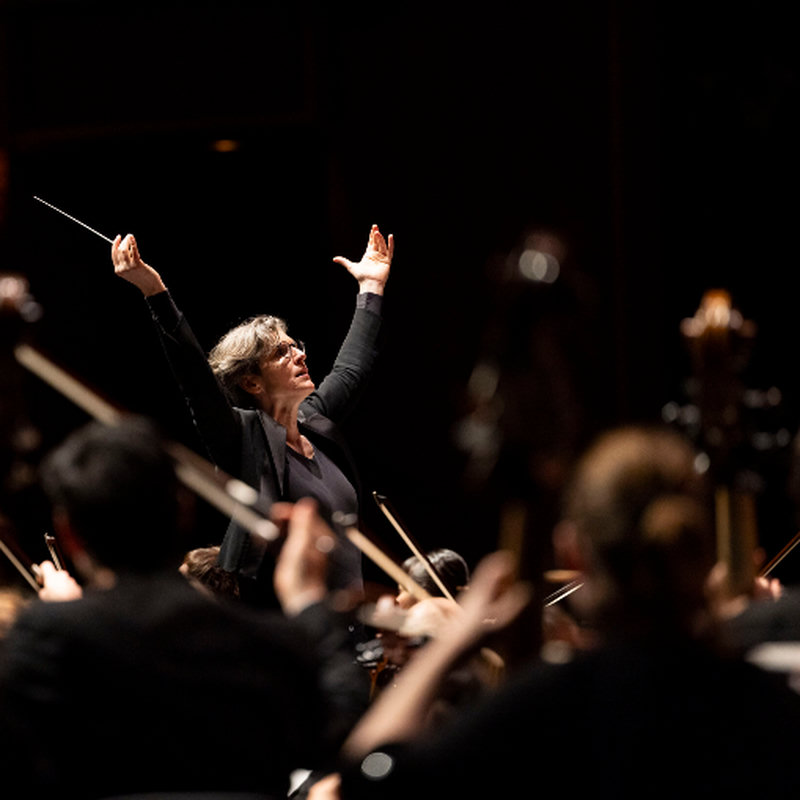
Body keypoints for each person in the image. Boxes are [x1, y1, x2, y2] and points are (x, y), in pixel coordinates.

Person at [320, 424, 800, 799]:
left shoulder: (555, 705)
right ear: (702, 550)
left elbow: (367, 777)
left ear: (571, 552)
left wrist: (450, 646)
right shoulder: (766, 695)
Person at [0, 416, 370, 798]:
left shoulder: (45, 639)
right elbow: (341, 724)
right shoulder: (259, 642)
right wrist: (308, 600)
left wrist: (61, 617)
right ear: (184, 510)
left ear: (69, 534)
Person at [111, 224, 394, 607]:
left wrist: (370, 288)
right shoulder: (242, 437)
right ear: (252, 382)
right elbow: (196, 380)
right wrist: (155, 292)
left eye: (296, 346)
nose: (300, 355)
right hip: (286, 632)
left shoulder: (315, 422)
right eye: (281, 352)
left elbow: (351, 369)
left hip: (348, 629)